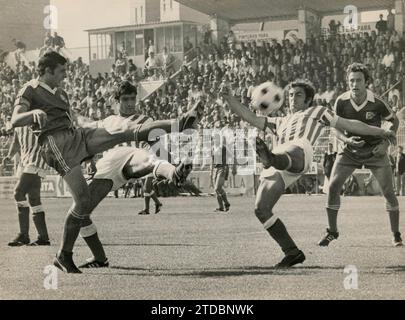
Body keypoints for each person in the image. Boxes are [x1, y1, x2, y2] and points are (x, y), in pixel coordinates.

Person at [11, 52, 203, 273]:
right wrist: (32, 113)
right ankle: (64, 255)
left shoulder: (61, 93)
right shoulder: (30, 88)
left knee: (123, 131)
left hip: (76, 136)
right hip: (55, 145)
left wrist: (89, 154)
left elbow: (73, 120)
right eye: (62, 71)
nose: (65, 75)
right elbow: (15, 119)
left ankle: (181, 122)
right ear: (47, 70)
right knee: (83, 202)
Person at [223, 80, 396, 268]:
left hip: (300, 150)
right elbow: (249, 116)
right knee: (261, 209)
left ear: (308, 101)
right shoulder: (278, 122)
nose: (292, 98)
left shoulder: (317, 112)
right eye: (290, 95)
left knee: (290, 149)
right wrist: (229, 98)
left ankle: (270, 158)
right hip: (281, 159)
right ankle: (292, 252)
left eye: (298, 95)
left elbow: (349, 123)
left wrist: (381, 132)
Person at [320, 63, 402, 247]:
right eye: (351, 81)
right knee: (333, 187)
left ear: (367, 82)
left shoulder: (378, 102)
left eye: (358, 80)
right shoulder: (341, 101)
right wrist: (346, 141)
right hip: (349, 150)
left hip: (375, 151)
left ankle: (396, 234)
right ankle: (332, 232)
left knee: (388, 192)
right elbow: (336, 128)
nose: (354, 84)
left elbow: (393, 121)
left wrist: (385, 144)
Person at [3, 126, 50, 246]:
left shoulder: (34, 114)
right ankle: (43, 238)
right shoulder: (19, 121)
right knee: (34, 199)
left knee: (18, 193)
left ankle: (23, 235)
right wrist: (9, 156)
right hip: (25, 161)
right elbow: (17, 142)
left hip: (36, 160)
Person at [210, 121, 232, 212]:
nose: (215, 139)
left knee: (217, 188)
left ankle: (225, 203)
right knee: (217, 189)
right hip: (215, 169)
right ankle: (222, 206)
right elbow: (212, 160)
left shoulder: (223, 147)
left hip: (222, 168)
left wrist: (230, 167)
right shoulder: (213, 148)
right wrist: (210, 171)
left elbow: (231, 156)